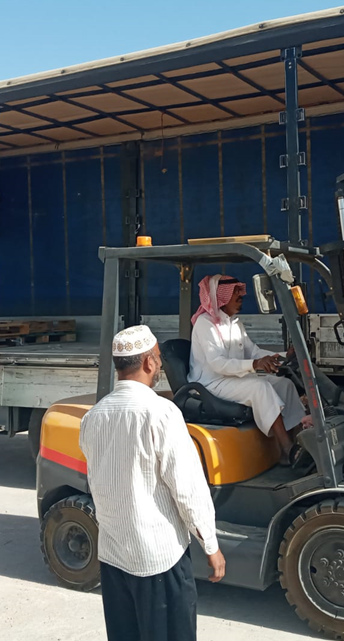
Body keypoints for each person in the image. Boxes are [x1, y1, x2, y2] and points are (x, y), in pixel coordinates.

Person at [80, 325, 226, 641]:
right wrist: (210, 545)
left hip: (114, 556)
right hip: (159, 558)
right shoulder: (161, 413)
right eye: (158, 357)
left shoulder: (94, 416)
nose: (159, 364)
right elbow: (187, 488)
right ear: (149, 362)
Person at [188, 275, 311, 464]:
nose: (241, 297)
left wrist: (284, 355)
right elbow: (218, 364)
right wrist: (254, 364)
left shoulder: (235, 324)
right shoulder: (206, 324)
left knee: (285, 384)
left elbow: (253, 352)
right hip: (211, 383)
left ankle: (298, 444)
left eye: (240, 293)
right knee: (260, 387)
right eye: (235, 293)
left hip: (232, 379)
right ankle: (287, 449)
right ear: (220, 296)